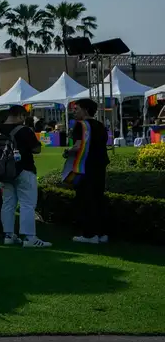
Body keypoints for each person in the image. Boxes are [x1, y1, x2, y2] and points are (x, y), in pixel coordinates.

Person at [0, 106, 52, 248]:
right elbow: (36, 149)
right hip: (24, 169)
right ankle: (29, 237)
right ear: (20, 116)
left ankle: (8, 235)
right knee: (27, 204)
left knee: (8, 203)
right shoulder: (25, 130)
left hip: (4, 171)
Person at [68, 98, 110, 244]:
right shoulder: (100, 125)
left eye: (76, 109)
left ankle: (89, 235)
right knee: (98, 198)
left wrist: (67, 152)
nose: (74, 112)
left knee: (86, 199)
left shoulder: (81, 126)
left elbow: (78, 146)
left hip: (85, 166)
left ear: (85, 110)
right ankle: (101, 233)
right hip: (100, 165)